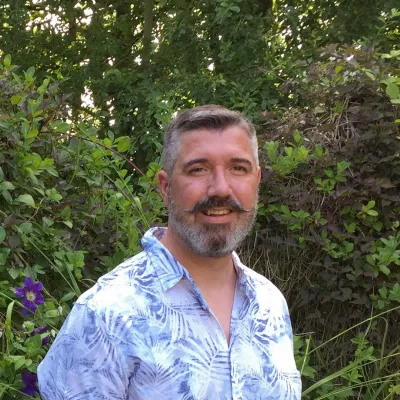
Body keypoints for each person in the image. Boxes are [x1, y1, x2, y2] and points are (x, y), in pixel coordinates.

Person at [38, 105, 301, 399]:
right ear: (165, 187)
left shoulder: (270, 304)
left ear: (257, 182)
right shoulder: (107, 316)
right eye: (198, 169)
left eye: (238, 168)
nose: (220, 189)